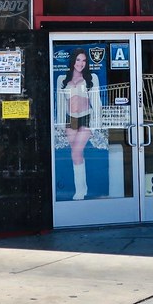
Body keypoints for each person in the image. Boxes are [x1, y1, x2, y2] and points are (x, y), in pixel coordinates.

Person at [56, 48, 100, 200]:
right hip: (70, 119)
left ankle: (80, 191)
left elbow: (97, 102)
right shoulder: (62, 79)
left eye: (84, 60)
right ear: (73, 61)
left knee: (76, 151)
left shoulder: (91, 78)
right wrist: (61, 123)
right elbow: (60, 104)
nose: (81, 63)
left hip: (86, 117)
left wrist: (96, 124)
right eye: (78, 60)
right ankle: (82, 187)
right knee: (76, 154)